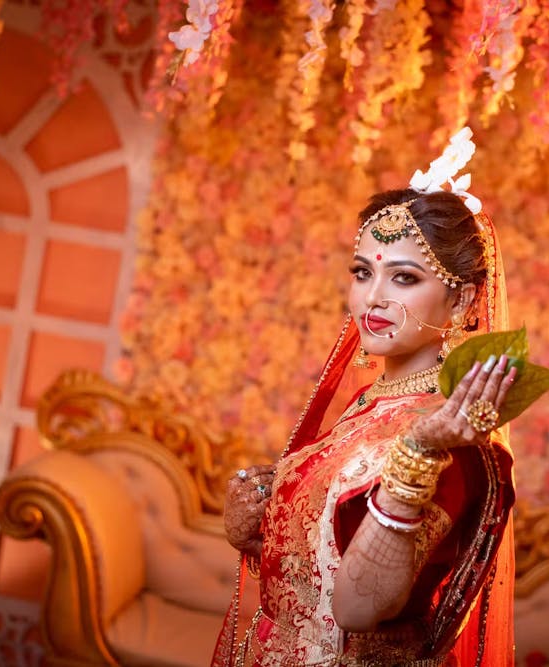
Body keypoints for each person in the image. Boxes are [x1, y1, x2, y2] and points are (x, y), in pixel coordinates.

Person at [212, 128, 518, 667]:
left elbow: (355, 608)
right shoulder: (369, 407)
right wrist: (255, 526)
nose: (372, 297)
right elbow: (318, 563)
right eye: (363, 272)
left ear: (462, 300)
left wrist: (420, 454)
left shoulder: (451, 438)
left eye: (403, 277)